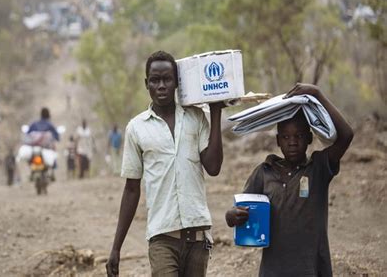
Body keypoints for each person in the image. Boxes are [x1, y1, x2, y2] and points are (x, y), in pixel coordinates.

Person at [106, 50, 225, 277]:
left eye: (167, 79)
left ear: (177, 82)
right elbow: (131, 189)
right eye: (155, 80)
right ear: (146, 83)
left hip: (198, 237)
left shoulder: (196, 117)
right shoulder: (136, 128)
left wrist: (216, 112)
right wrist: (116, 247)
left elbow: (213, 167)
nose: (161, 85)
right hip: (162, 239)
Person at [225, 83, 354, 277]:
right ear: (278, 141)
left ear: (309, 138)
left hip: (311, 269)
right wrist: (231, 216)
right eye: (285, 137)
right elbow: (241, 210)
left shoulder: (318, 168)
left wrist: (317, 93)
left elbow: (346, 136)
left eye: (299, 136)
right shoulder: (264, 172)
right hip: (273, 269)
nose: (292, 142)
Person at [27, 107, 60, 180]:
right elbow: (56, 136)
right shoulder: (50, 125)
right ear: (48, 115)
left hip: (35, 149)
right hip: (46, 148)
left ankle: (32, 171)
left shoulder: (34, 124)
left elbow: (28, 134)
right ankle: (52, 170)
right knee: (53, 151)